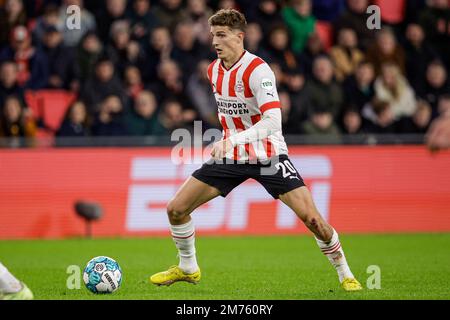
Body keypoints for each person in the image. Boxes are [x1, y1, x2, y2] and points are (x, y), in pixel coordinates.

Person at [149, 9, 362, 292]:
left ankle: (345, 274)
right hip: (232, 157)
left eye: (222, 35)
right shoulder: (213, 70)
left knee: (313, 220)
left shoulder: (258, 70)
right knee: (176, 209)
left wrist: (232, 140)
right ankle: (188, 267)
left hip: (268, 156)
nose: (215, 41)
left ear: (240, 37)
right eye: (213, 35)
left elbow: (274, 120)